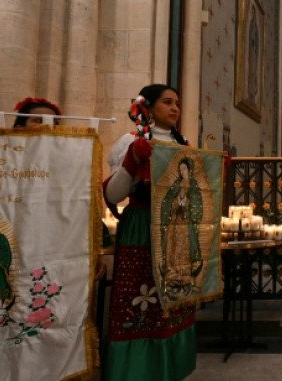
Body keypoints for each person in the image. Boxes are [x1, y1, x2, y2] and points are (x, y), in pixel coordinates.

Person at [102, 84, 196, 381]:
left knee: (171, 304)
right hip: (142, 228)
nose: (175, 108)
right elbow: (114, 195)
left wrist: (213, 171)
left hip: (175, 233)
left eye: (177, 103)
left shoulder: (183, 144)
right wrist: (132, 159)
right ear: (148, 107)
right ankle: (136, 372)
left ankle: (170, 369)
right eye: (167, 102)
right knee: (141, 302)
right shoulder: (132, 140)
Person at [161, 157, 204, 300]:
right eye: (180, 169)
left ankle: (185, 276)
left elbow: (197, 203)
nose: (182, 171)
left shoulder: (193, 185)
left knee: (184, 248)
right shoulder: (176, 184)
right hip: (174, 222)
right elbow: (168, 200)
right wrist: (176, 202)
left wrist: (186, 204)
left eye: (184, 169)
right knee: (172, 247)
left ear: (190, 170)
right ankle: (172, 275)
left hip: (186, 223)